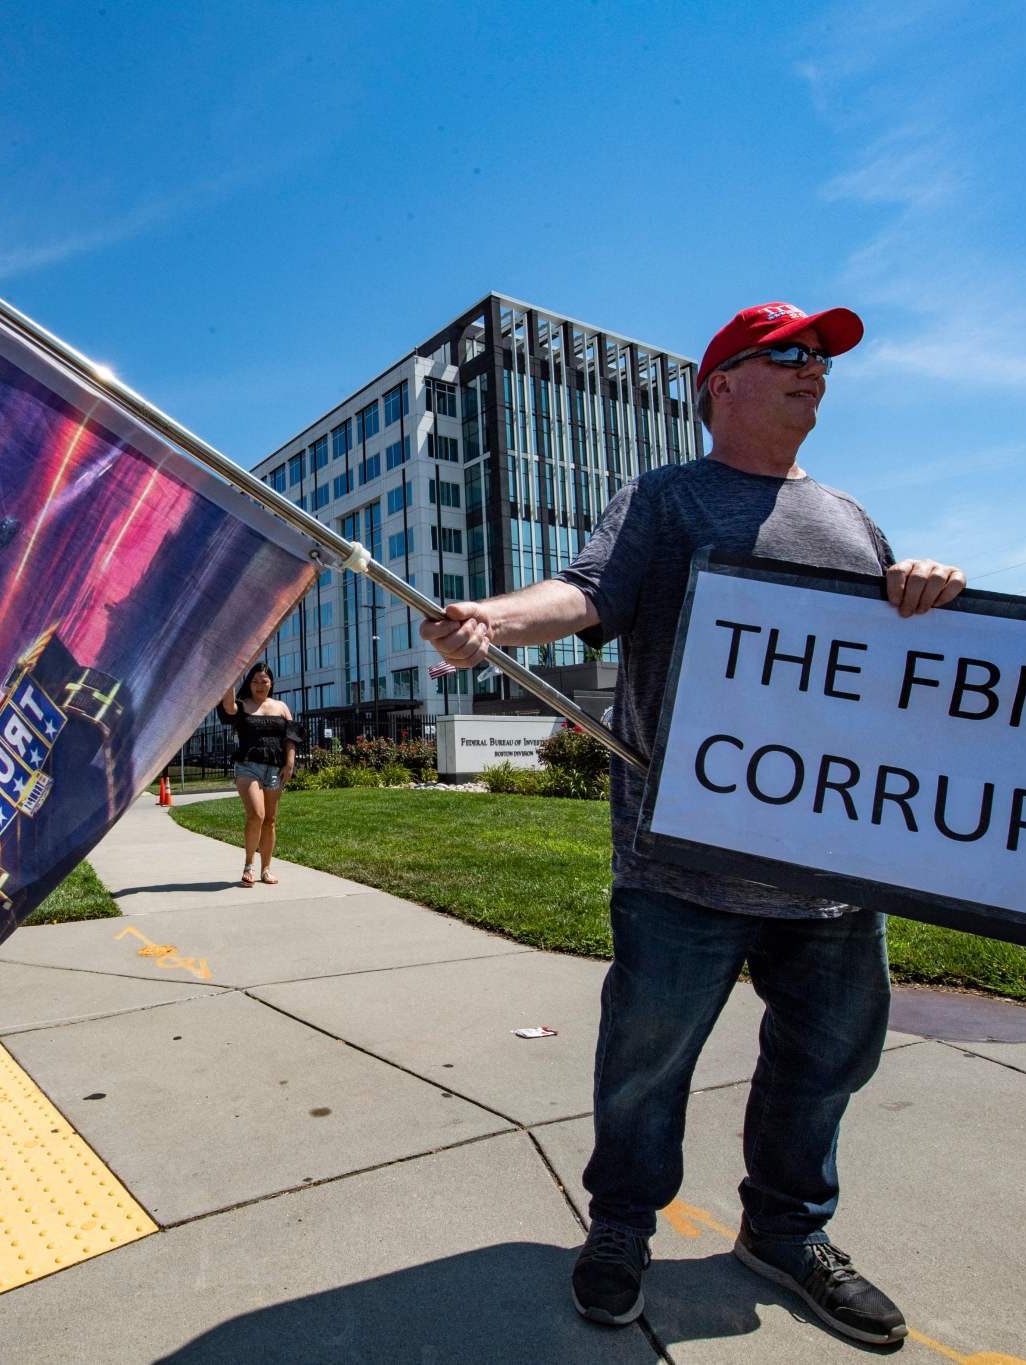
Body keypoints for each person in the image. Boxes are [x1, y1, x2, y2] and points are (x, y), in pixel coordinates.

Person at [422, 302, 965, 1347]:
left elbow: (902, 667)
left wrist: (925, 587)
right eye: (791, 356)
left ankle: (785, 1234)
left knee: (825, 1062)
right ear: (723, 383)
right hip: (684, 867)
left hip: (833, 868)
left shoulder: (851, 518)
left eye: (823, 360)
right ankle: (621, 1229)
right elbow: (583, 592)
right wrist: (492, 619)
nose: (816, 371)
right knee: (645, 1064)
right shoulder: (668, 499)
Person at [216, 662, 299, 887]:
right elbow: (228, 707)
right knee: (257, 815)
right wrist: (231, 676)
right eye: (255, 681)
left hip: (275, 768)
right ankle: (249, 865)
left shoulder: (281, 707)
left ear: (271, 683)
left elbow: (290, 737)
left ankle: (266, 869)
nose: (260, 685)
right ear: (249, 683)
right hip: (248, 767)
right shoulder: (242, 706)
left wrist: (289, 763)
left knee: (270, 821)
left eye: (264, 681)